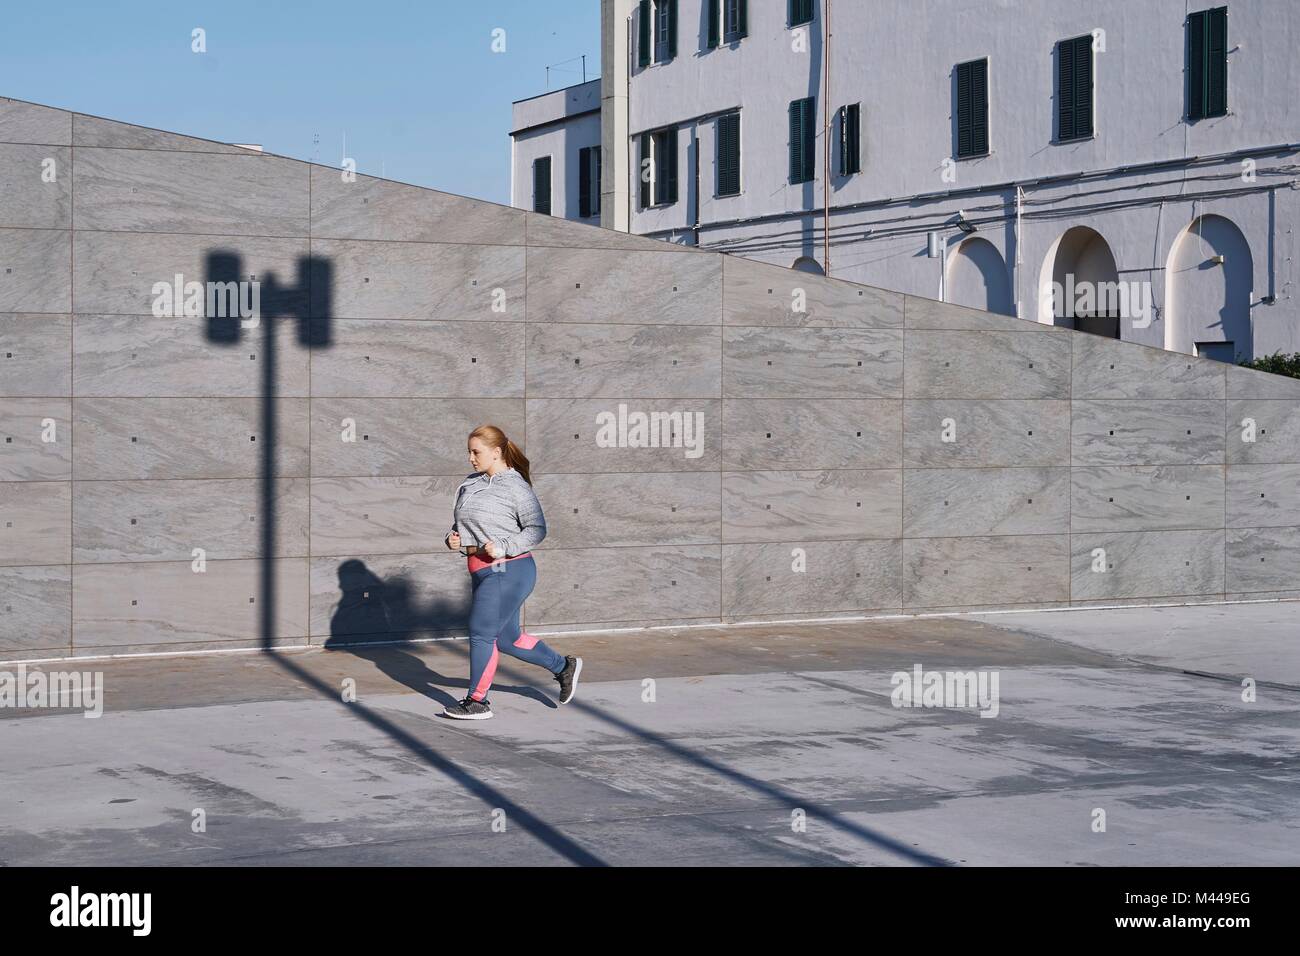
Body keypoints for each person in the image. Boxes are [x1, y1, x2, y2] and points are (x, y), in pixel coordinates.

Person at [441, 425, 581, 720]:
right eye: (469, 452)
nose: (470, 458)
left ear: (497, 452)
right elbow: (463, 526)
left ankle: (477, 701)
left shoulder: (516, 487)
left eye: (476, 452)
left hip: (510, 569)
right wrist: (453, 538)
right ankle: (563, 666)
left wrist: (505, 545)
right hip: (479, 570)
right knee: (508, 640)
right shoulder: (469, 484)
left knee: (481, 633)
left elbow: (537, 529)